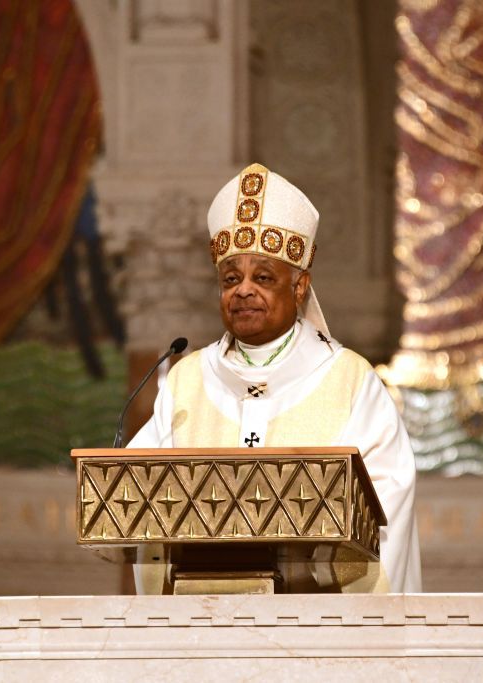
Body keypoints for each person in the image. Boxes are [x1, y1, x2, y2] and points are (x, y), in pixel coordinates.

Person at [129, 163, 421, 593]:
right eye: (231, 279)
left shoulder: (350, 382)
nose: (243, 290)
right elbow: (139, 500)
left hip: (317, 628)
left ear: (300, 286)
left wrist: (316, 565)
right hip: (200, 630)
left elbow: (385, 507)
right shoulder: (185, 382)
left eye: (263, 277)